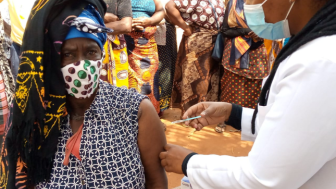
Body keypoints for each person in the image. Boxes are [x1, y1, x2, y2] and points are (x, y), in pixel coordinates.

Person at [160, 0, 336, 188]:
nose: (247, 4)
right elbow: (289, 126)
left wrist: (189, 162)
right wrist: (232, 113)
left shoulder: (319, 63)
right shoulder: (313, 49)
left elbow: (262, 179)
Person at [0, 0, 167, 188]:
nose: (82, 66)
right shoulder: (32, 117)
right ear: (51, 58)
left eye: (91, 52)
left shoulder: (135, 111)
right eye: (68, 54)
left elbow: (156, 181)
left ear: (102, 53)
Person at [215, 0, 268, 133]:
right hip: (234, 51)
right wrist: (248, 31)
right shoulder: (233, 3)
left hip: (257, 53)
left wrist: (261, 33)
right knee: (230, 87)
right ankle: (224, 120)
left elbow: (273, 25)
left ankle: (248, 123)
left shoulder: (265, 3)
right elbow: (225, 30)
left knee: (254, 87)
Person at [166, 0, 225, 114]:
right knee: (193, 76)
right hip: (197, 43)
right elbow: (169, 6)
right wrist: (185, 28)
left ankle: (206, 111)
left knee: (211, 77)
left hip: (215, 44)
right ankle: (190, 112)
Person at [125, 0, 164, 114]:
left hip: (147, 44)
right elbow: (108, 13)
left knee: (149, 80)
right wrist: (126, 23)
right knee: (127, 78)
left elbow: (161, 11)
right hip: (124, 43)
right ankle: (131, 118)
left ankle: (150, 116)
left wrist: (149, 21)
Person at [101, 0, 132, 88]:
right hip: (87, 46)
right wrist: (102, 17)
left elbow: (126, 25)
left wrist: (91, 24)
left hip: (115, 49)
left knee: (118, 90)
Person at [155, 0, 178, 114]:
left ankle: (161, 106)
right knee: (159, 67)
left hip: (165, 31)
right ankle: (157, 105)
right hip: (155, 31)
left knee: (166, 67)